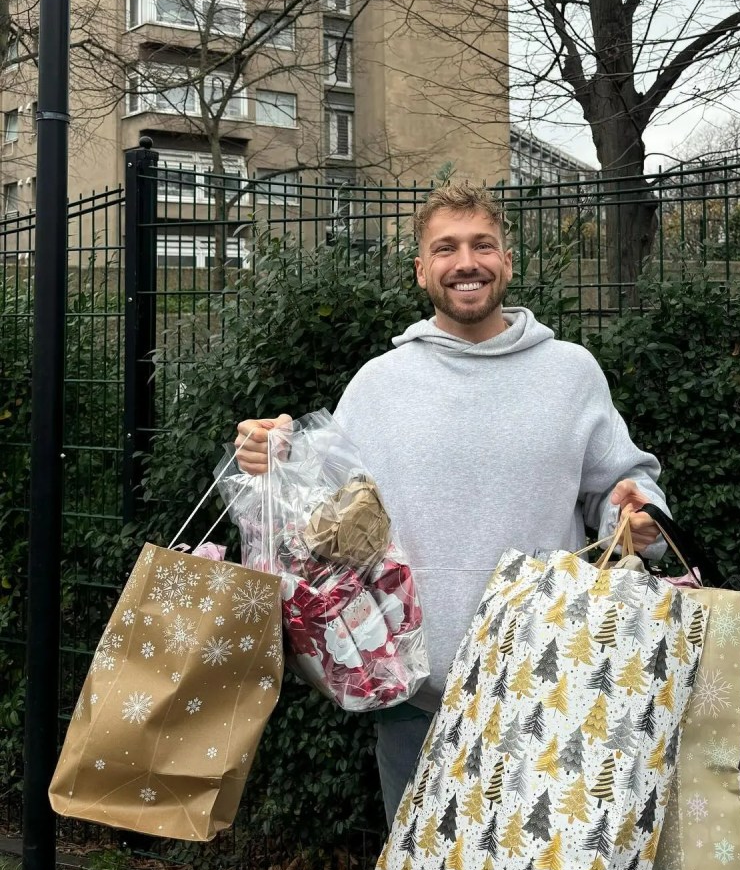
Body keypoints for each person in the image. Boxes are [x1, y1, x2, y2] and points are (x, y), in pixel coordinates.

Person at [233, 182, 670, 824]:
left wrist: (637, 515)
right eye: (446, 248)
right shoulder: (378, 386)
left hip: (548, 693)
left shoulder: (572, 372)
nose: (466, 262)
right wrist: (273, 454)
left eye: (481, 244)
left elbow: (622, 482)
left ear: (507, 259)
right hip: (415, 703)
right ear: (421, 269)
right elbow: (321, 515)